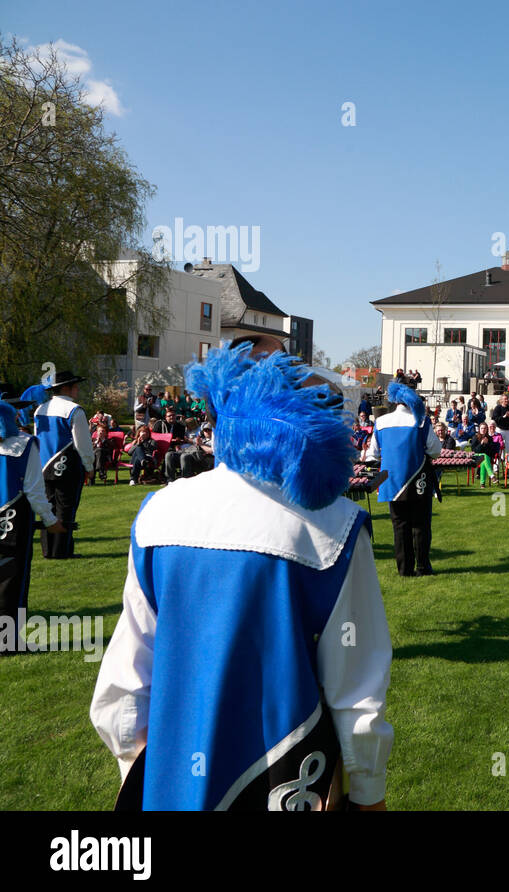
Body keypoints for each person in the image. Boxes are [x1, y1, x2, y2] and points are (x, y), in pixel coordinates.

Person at [90, 344, 393, 810]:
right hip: (287, 772)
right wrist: (368, 791)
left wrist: (141, 770)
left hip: (174, 777)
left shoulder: (159, 512)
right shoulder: (336, 527)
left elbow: (126, 681)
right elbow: (357, 688)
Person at [0, 395, 64, 653]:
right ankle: (7, 641)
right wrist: (50, 521)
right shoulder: (26, 445)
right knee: (12, 580)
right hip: (14, 516)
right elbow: (34, 490)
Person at [373, 382, 438, 576]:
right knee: (420, 525)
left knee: (400, 526)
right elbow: (435, 450)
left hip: (391, 481)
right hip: (417, 478)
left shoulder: (380, 422)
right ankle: (423, 566)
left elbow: (373, 453)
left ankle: (404, 569)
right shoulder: (421, 421)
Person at [34, 370, 93, 558]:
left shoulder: (40, 409)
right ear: (66, 388)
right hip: (68, 464)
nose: (77, 390)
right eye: (75, 386)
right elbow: (82, 442)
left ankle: (47, 550)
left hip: (44, 465)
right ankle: (62, 550)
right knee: (66, 509)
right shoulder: (74, 410)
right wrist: (89, 466)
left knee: (48, 508)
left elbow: (38, 438)